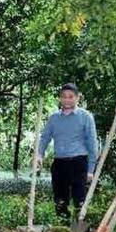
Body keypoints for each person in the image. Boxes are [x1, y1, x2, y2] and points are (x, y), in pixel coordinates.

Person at [37, 83, 98, 222]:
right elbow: (45, 137)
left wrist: (91, 170)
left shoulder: (85, 117)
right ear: (59, 98)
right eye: (64, 97)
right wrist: (39, 154)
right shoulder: (54, 118)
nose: (67, 100)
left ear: (77, 98)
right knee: (60, 201)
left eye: (71, 97)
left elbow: (92, 143)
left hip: (79, 163)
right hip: (59, 163)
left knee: (80, 201)